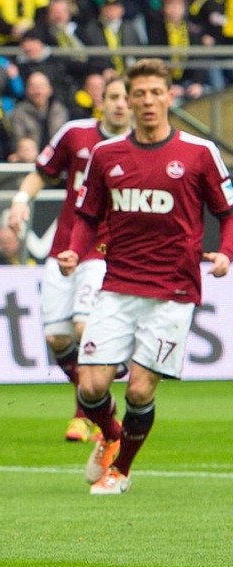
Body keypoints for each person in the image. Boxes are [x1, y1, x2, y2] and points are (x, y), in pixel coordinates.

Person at [56, 58, 233, 494]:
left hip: (173, 292)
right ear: (127, 101)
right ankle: (112, 435)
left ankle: (122, 470)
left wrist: (226, 253)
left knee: (138, 389)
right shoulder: (106, 154)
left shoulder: (198, 153)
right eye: (140, 94)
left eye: (157, 92)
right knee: (91, 383)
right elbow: (87, 214)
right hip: (117, 287)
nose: (149, 101)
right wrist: (74, 251)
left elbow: (227, 213)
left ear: (169, 96)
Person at [8, 76, 131, 443]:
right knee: (57, 337)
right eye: (113, 97)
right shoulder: (75, 134)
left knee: (83, 326)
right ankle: (97, 402)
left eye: (126, 98)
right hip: (65, 245)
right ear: (101, 102)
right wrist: (19, 201)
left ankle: (83, 413)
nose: (121, 104)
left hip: (107, 250)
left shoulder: (138, 147)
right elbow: (42, 173)